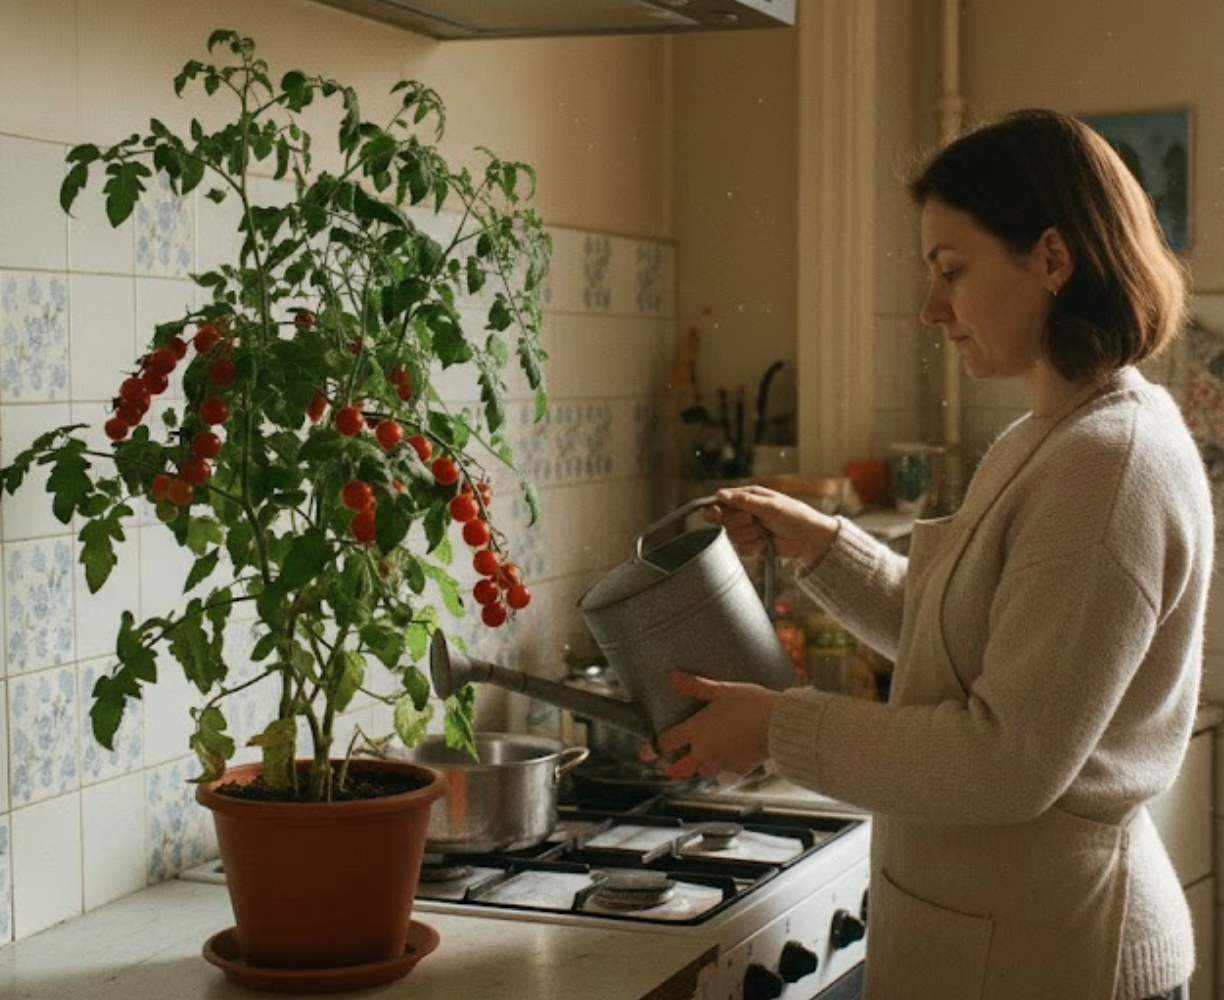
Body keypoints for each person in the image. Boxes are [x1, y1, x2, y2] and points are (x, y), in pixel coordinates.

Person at [655, 109, 1213, 1000]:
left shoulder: (1107, 464)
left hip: (1061, 957)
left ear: (1053, 259)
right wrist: (825, 547)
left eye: (952, 270)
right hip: (1012, 941)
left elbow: (1006, 760)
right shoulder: (1054, 436)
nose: (931, 309)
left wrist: (775, 727)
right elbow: (970, 644)